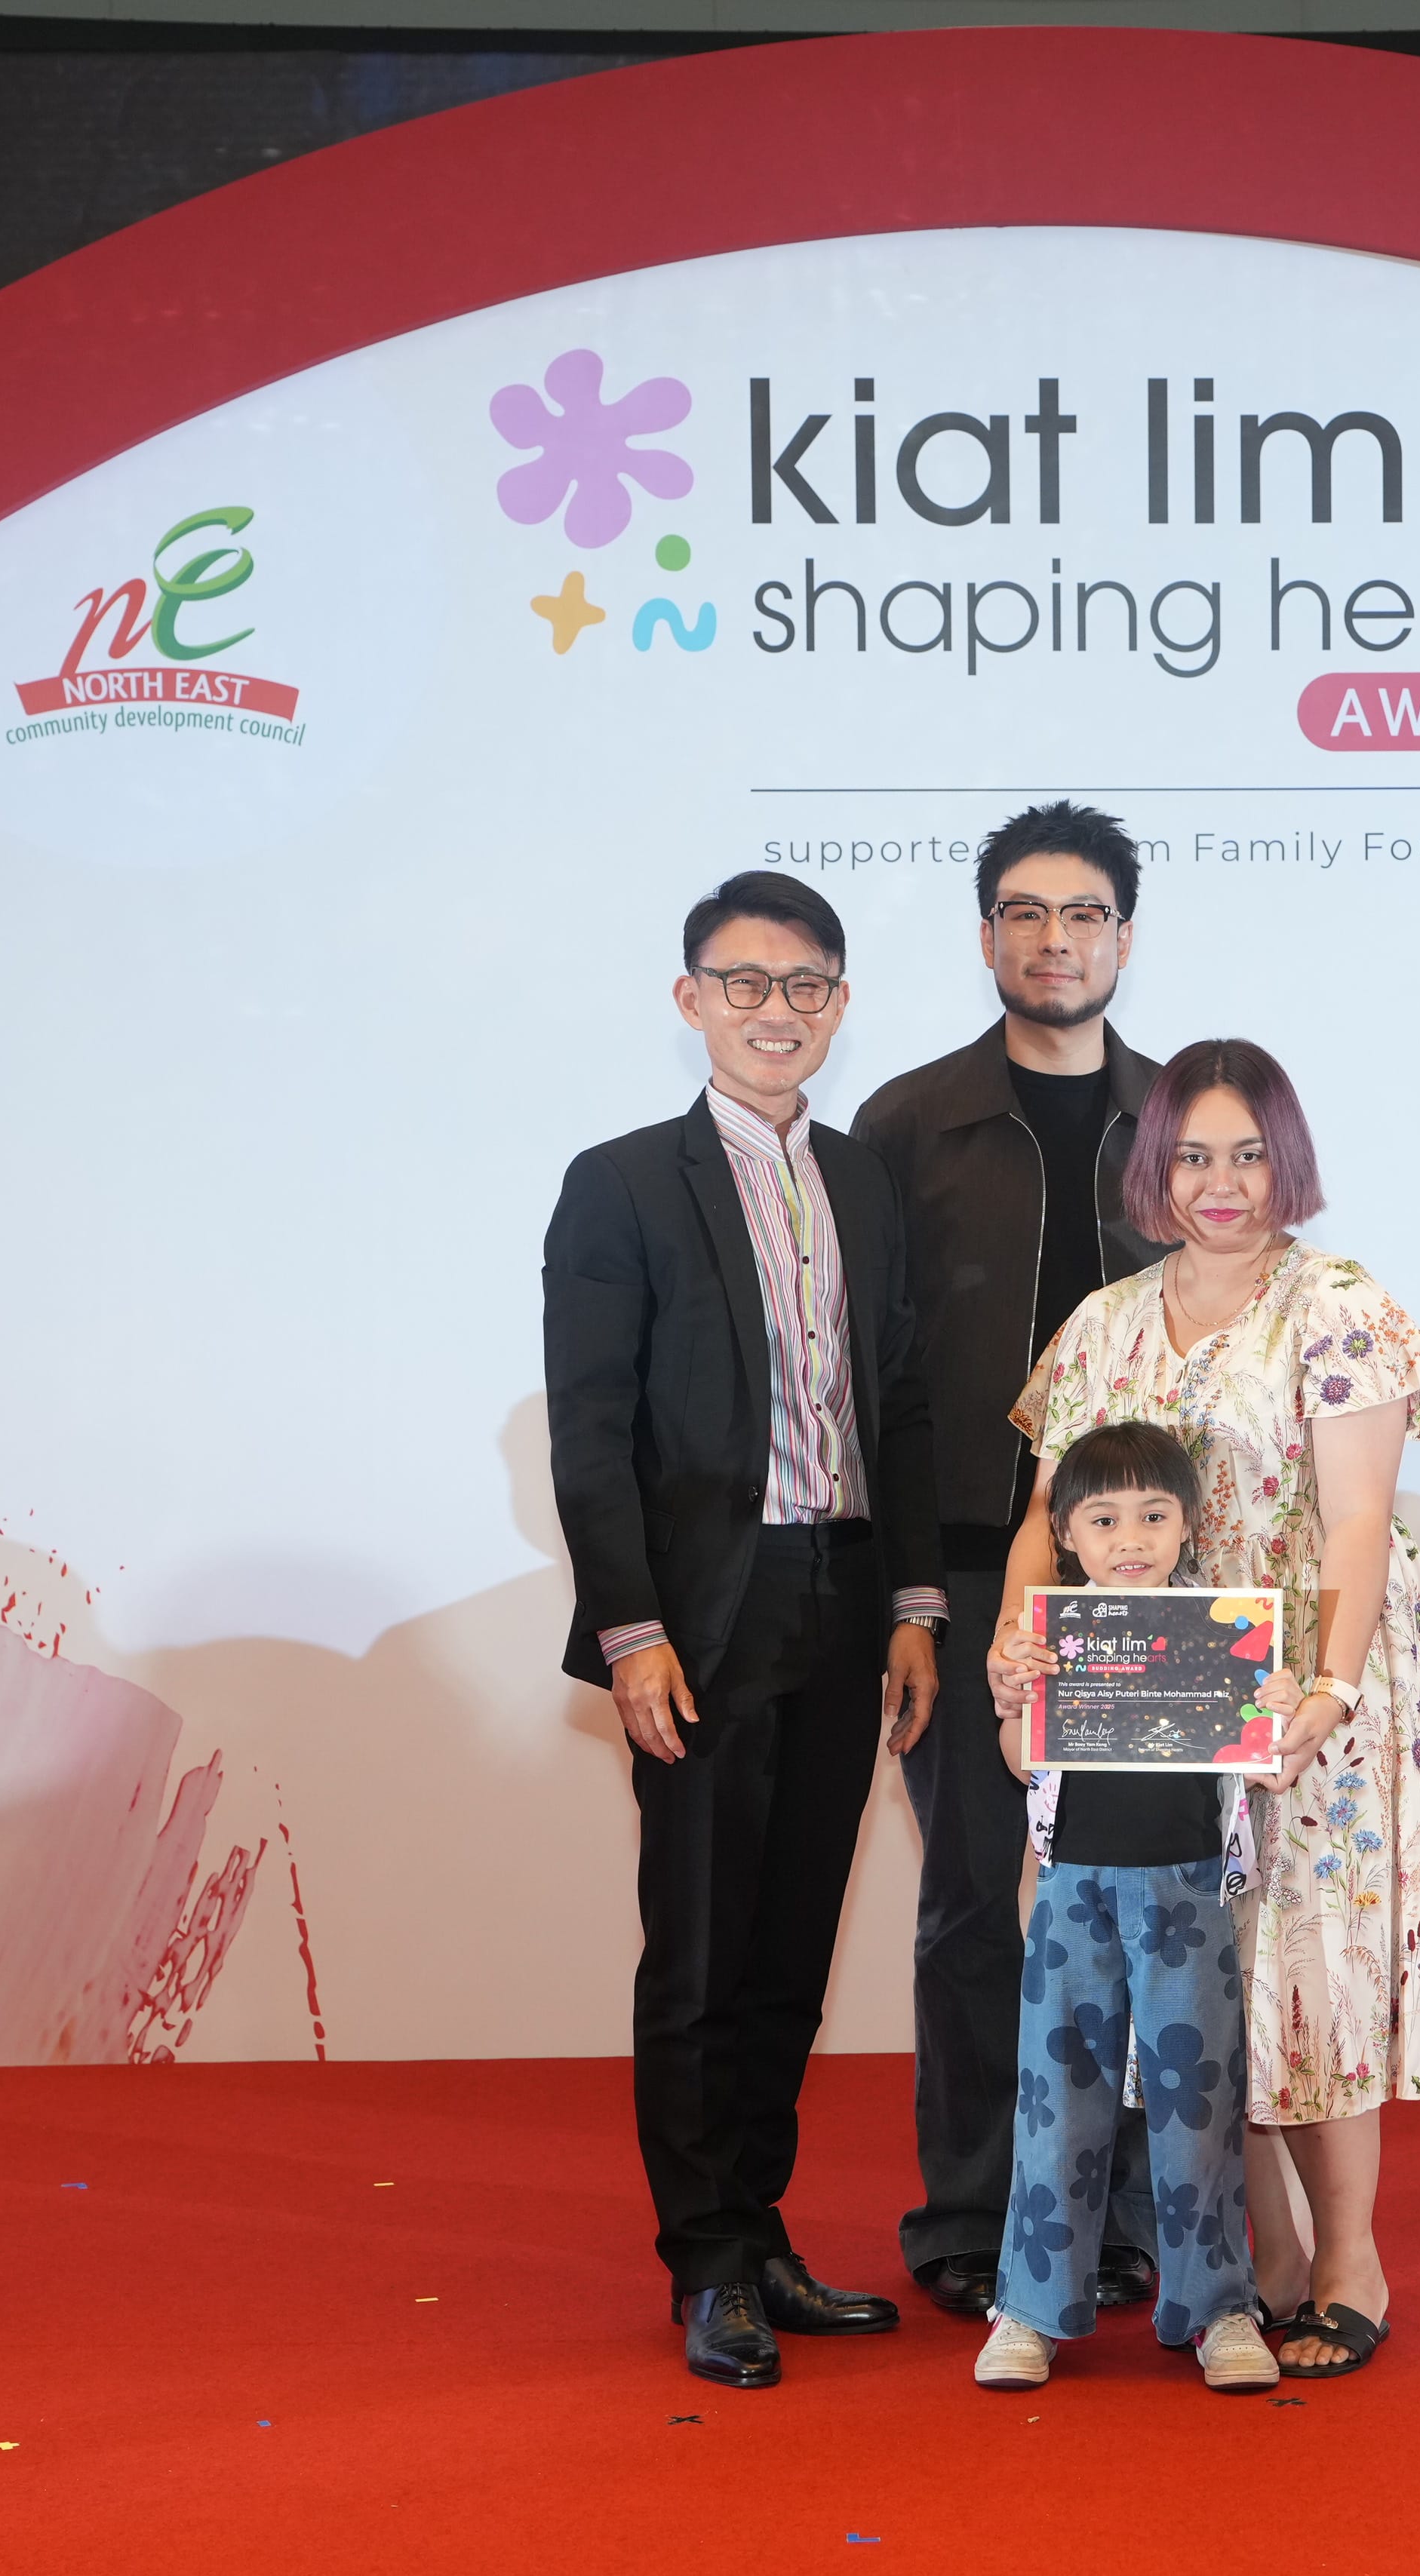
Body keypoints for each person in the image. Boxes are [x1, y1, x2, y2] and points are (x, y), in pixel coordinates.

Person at [991, 1039, 1420, 2381]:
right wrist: (1011, 1645)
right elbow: (1043, 1520)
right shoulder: (1102, 1323)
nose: (1222, 1184)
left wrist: (1324, 1687)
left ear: (1288, 1160)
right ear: (1156, 1164)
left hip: (1312, 1683)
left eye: (1248, 1154)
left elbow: (1361, 1516)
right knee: (1207, 1976)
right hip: (1148, 1700)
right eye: (1195, 1155)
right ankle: (1255, 2269)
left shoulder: (1340, 1305)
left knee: (1317, 1962)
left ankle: (1351, 2263)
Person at [542, 869, 945, 2392]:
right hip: (702, 1616)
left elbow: (897, 1402)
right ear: (690, 997)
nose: (777, 1011)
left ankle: (762, 2229)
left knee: (790, 1943)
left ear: (839, 1006)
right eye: (746, 982)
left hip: (846, 1600)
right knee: (701, 1946)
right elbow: (591, 1434)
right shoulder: (622, 1183)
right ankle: (704, 2260)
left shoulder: (866, 1180)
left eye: (806, 987)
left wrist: (913, 1603)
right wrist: (632, 1627)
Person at [850, 804, 1169, 2323]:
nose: (1058, 939)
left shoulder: (1184, 1119)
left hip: (1161, 1590)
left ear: (1124, 934)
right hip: (976, 1574)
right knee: (979, 1902)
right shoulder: (908, 1128)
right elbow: (873, 1386)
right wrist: (911, 1599)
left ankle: (1130, 2220)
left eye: (1087, 913)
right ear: (987, 936)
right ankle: (975, 2214)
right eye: (1028, 914)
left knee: (1147, 1900)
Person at [971, 1420, 1289, 2394]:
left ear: (1189, 1524)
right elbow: (1025, 1764)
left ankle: (1218, 2309)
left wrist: (1269, 1699)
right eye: (1104, 1519)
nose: (1132, 1538)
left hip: (1188, 1894)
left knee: (1198, 2108)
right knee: (1056, 2103)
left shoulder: (1223, 1629)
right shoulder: (1049, 1639)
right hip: (1073, 1897)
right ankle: (1028, 2311)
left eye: (1155, 1515)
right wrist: (1012, 1698)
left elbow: (1261, 1759)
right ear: (1066, 1533)